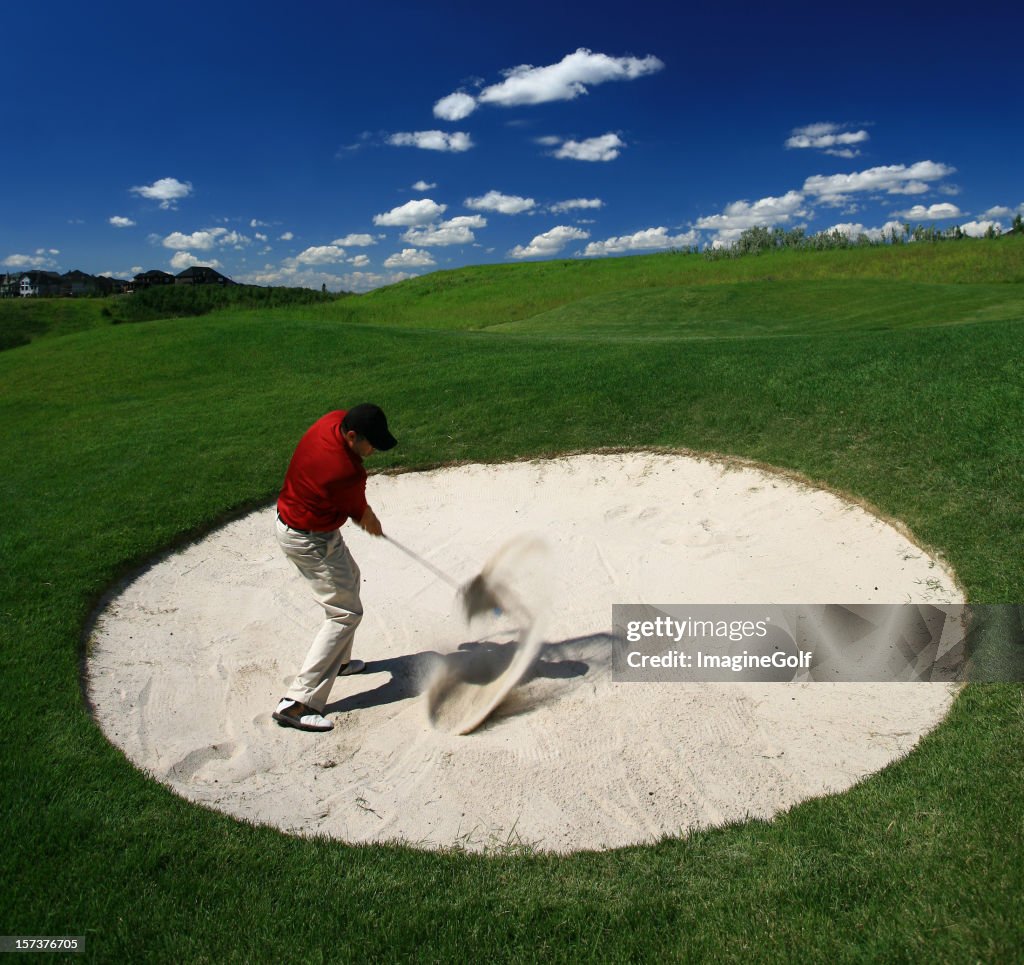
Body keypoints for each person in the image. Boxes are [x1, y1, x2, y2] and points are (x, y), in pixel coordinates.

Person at [272, 403, 397, 732]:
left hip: (308, 525)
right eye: (370, 444)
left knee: (350, 578)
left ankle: (339, 662)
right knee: (345, 613)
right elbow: (360, 512)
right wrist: (369, 520)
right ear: (352, 436)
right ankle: (298, 702)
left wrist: (362, 515)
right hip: (309, 540)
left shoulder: (332, 420)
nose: (373, 450)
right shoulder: (345, 470)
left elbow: (353, 508)